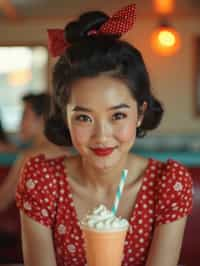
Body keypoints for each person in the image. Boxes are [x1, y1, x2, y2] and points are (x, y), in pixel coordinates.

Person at [16, 4, 192, 266]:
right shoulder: (41, 181)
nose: (101, 135)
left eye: (118, 115)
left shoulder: (168, 185)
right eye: (84, 117)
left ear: (140, 113)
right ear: (65, 116)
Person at [0, 93, 70, 212]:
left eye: (24, 116)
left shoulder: (31, 157)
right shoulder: (66, 152)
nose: (20, 123)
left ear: (41, 119)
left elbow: (3, 200)